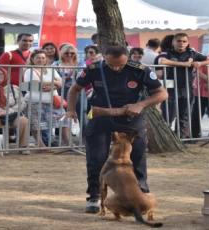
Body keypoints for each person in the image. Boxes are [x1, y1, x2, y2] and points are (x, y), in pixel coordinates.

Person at [64, 45, 168, 213]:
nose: (116, 67)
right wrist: (70, 109)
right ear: (104, 57)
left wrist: (141, 104)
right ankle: (94, 197)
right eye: (111, 64)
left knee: (137, 157)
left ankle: (141, 195)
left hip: (130, 117)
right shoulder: (93, 69)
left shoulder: (140, 70)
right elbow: (74, 89)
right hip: (101, 116)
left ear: (128, 58)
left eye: (120, 64)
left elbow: (162, 93)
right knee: (96, 158)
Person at [155, 33, 209, 138]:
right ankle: (165, 138)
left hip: (187, 88)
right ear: (173, 42)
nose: (181, 43)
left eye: (184, 41)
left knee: (184, 116)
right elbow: (161, 61)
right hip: (171, 89)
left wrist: (199, 64)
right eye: (178, 41)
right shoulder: (167, 53)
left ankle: (179, 138)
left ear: (187, 43)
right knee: (168, 116)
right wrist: (185, 64)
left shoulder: (191, 53)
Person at [23, 49, 70, 148]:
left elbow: (61, 82)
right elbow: (35, 83)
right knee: (36, 124)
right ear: (32, 59)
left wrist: (54, 86)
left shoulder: (50, 69)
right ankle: (41, 145)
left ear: (46, 59)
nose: (41, 60)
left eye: (43, 58)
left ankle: (68, 143)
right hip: (34, 101)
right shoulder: (29, 70)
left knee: (63, 120)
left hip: (53, 100)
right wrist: (55, 83)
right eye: (38, 58)